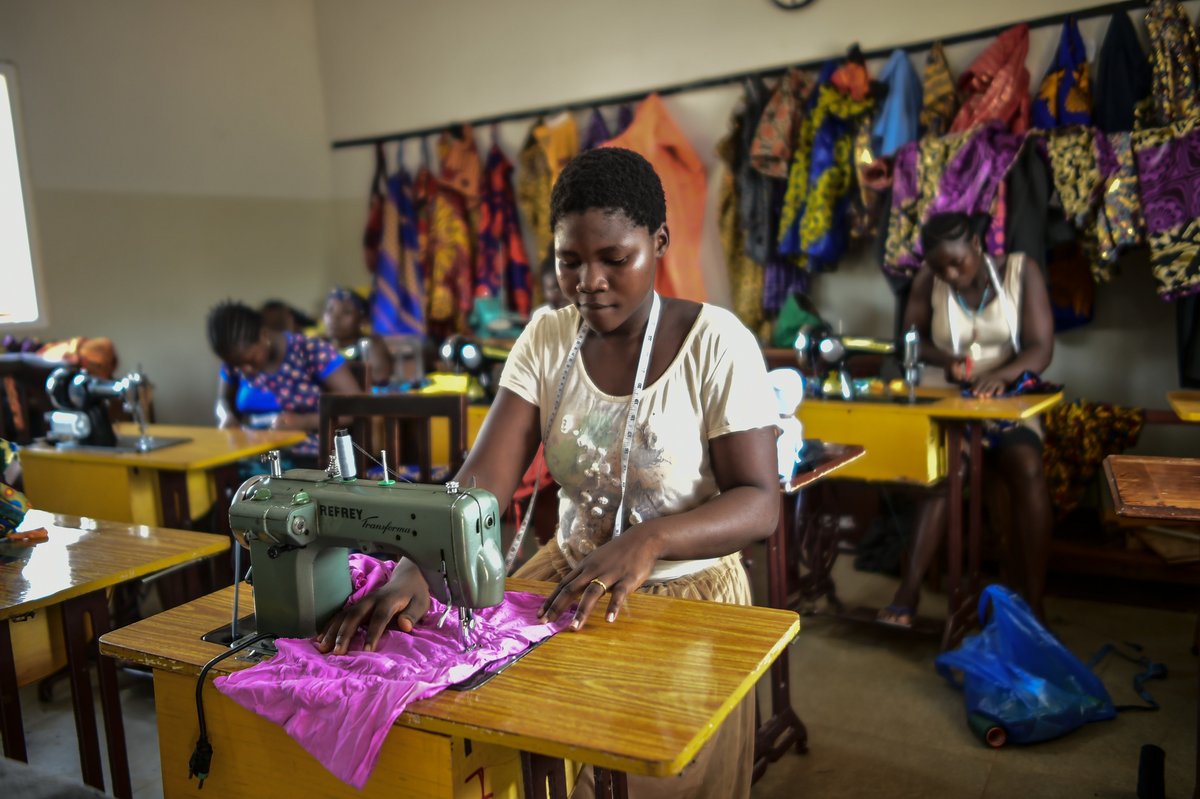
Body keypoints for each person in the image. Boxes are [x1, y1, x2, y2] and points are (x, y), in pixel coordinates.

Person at [317, 147, 781, 798]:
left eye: (614, 259)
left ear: (659, 243)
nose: (589, 280)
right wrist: (418, 563)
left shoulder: (715, 342)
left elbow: (760, 501)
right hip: (571, 574)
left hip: (687, 590)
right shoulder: (547, 337)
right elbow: (482, 481)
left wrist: (651, 539)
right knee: (494, 735)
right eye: (570, 260)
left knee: (639, 770)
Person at [878, 212, 1054, 628]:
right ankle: (910, 588)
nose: (950, 274)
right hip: (951, 402)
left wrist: (1000, 376)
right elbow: (912, 342)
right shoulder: (928, 278)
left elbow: (1040, 347)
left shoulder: (1020, 271)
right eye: (940, 267)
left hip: (1007, 399)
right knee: (948, 468)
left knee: (1027, 466)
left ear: (977, 245)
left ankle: (1034, 598)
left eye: (957, 263)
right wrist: (947, 360)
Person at [208, 301, 360, 460]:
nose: (245, 370)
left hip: (309, 459)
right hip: (252, 453)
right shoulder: (235, 360)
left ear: (263, 335)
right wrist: (225, 415)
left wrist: (304, 422)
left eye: (251, 360)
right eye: (236, 364)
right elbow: (222, 400)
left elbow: (355, 407)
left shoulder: (309, 351)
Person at [322, 286, 395, 386]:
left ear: (363, 321)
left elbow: (380, 378)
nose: (335, 318)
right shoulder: (319, 344)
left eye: (346, 312)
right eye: (330, 310)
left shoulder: (371, 344)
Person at [529, 249, 569, 321]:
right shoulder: (540, 316)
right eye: (556, 288)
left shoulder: (584, 315)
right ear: (543, 290)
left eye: (568, 286)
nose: (565, 295)